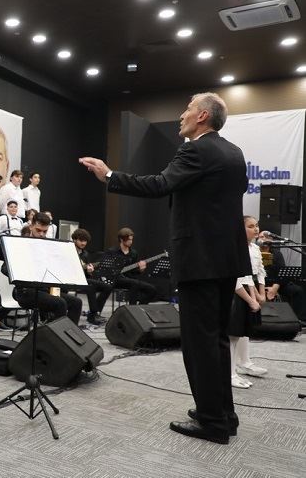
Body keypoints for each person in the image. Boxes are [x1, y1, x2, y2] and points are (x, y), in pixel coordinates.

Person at [80, 92, 250, 444]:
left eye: (188, 109)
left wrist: (109, 175)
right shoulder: (234, 153)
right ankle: (223, 414)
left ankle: (212, 422)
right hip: (227, 259)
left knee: (199, 343)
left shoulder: (195, 150)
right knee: (217, 339)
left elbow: (159, 184)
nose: (182, 115)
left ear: (202, 116)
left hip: (199, 260)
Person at [3, 212, 82, 325]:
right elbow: (4, 268)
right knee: (60, 303)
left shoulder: (48, 245)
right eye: (38, 230)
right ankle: (54, 333)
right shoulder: (19, 244)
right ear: (31, 226)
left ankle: (69, 334)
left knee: (76, 302)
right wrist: (21, 270)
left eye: (45, 231)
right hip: (26, 291)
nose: (41, 234)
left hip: (45, 289)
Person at [228, 216, 267, 389]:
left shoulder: (255, 248)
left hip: (246, 290)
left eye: (256, 225)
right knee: (232, 335)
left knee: (241, 332)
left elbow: (254, 273)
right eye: (251, 226)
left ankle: (243, 363)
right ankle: (230, 374)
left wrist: (258, 294)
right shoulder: (236, 248)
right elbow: (236, 278)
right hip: (236, 293)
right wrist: (251, 299)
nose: (256, 229)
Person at [259, 231, 306, 325]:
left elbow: (282, 272)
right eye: (260, 237)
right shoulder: (254, 252)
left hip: (276, 283)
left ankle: (298, 320)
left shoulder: (277, 254)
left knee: (298, 291)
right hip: (260, 283)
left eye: (265, 237)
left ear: (271, 240)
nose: (262, 238)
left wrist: (274, 288)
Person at [106, 227, 157, 305]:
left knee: (152, 289)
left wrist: (141, 269)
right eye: (128, 240)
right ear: (121, 239)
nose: (131, 242)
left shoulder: (133, 253)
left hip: (130, 279)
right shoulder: (112, 252)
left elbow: (134, 272)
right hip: (116, 280)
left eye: (131, 239)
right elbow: (107, 269)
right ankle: (132, 308)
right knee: (134, 283)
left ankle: (139, 307)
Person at [72, 228, 112, 325]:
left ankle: (94, 313)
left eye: (85, 241)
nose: (83, 243)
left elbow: (87, 273)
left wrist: (89, 271)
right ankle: (93, 315)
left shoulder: (85, 254)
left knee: (108, 287)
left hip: (84, 280)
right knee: (91, 286)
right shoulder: (69, 252)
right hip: (72, 279)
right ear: (74, 239)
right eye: (81, 240)